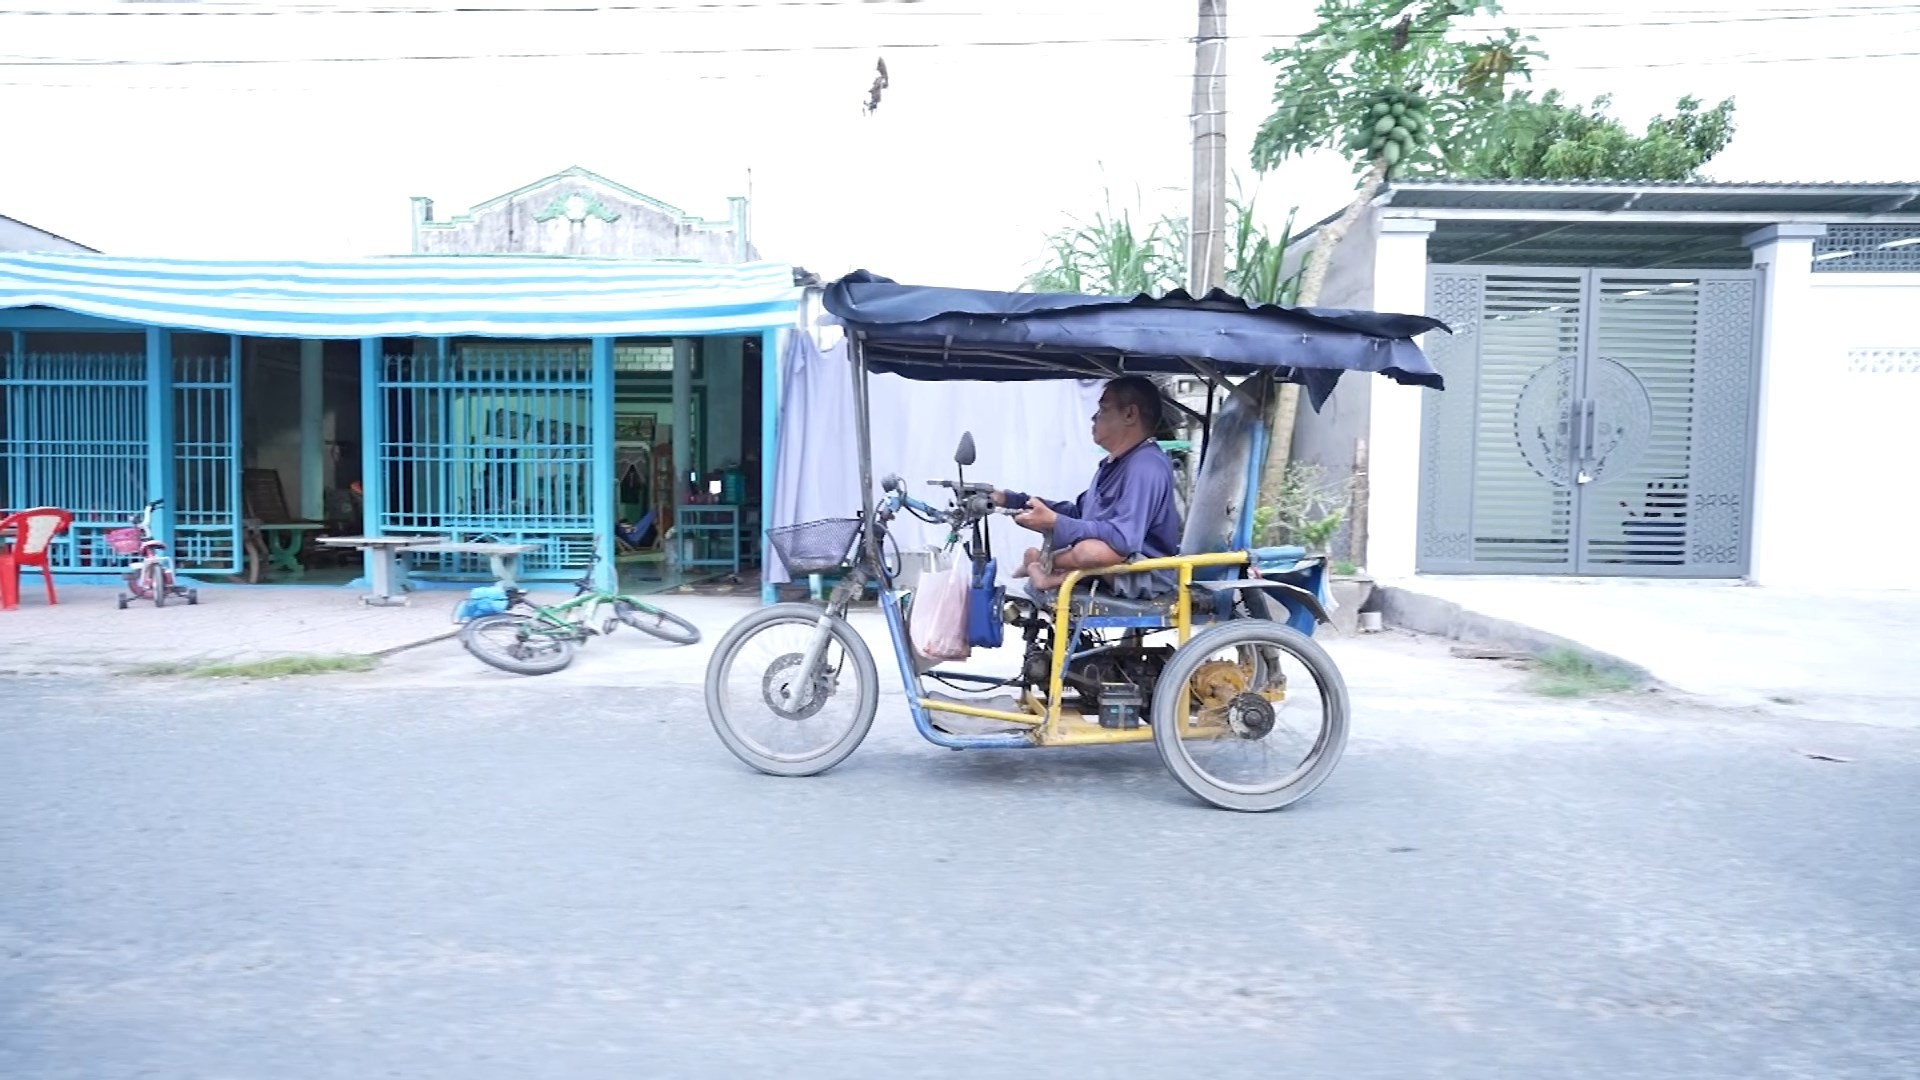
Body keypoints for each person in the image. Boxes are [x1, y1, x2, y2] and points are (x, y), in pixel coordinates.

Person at [992, 375, 1182, 597]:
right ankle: (1045, 566)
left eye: (1103, 409)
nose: (1094, 417)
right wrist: (1010, 500)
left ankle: (1045, 565)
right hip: (1116, 567)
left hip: (1145, 572)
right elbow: (1078, 513)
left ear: (1130, 414)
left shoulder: (1146, 465)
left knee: (1090, 550)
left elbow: (1123, 540)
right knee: (1087, 548)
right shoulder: (1113, 463)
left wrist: (1055, 523)